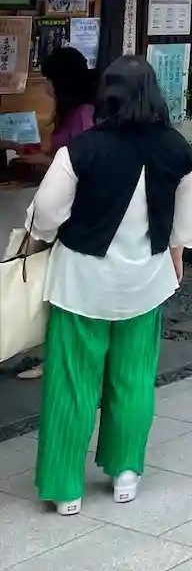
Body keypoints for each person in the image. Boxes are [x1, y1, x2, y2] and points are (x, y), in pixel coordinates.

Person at [24, 56, 192, 515]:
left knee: (72, 383)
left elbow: (46, 215)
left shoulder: (81, 150)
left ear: (107, 94)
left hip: (81, 283)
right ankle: (126, 473)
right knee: (133, 380)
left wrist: (41, 238)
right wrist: (175, 260)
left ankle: (65, 487)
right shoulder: (177, 149)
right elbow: (185, 226)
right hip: (146, 282)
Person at [15, 47, 99, 381]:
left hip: (71, 212)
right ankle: (52, 353)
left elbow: (83, 165)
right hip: (62, 206)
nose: (46, 86)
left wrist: (43, 161)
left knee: (62, 287)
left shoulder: (84, 114)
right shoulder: (69, 112)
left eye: (49, 79)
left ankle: (59, 357)